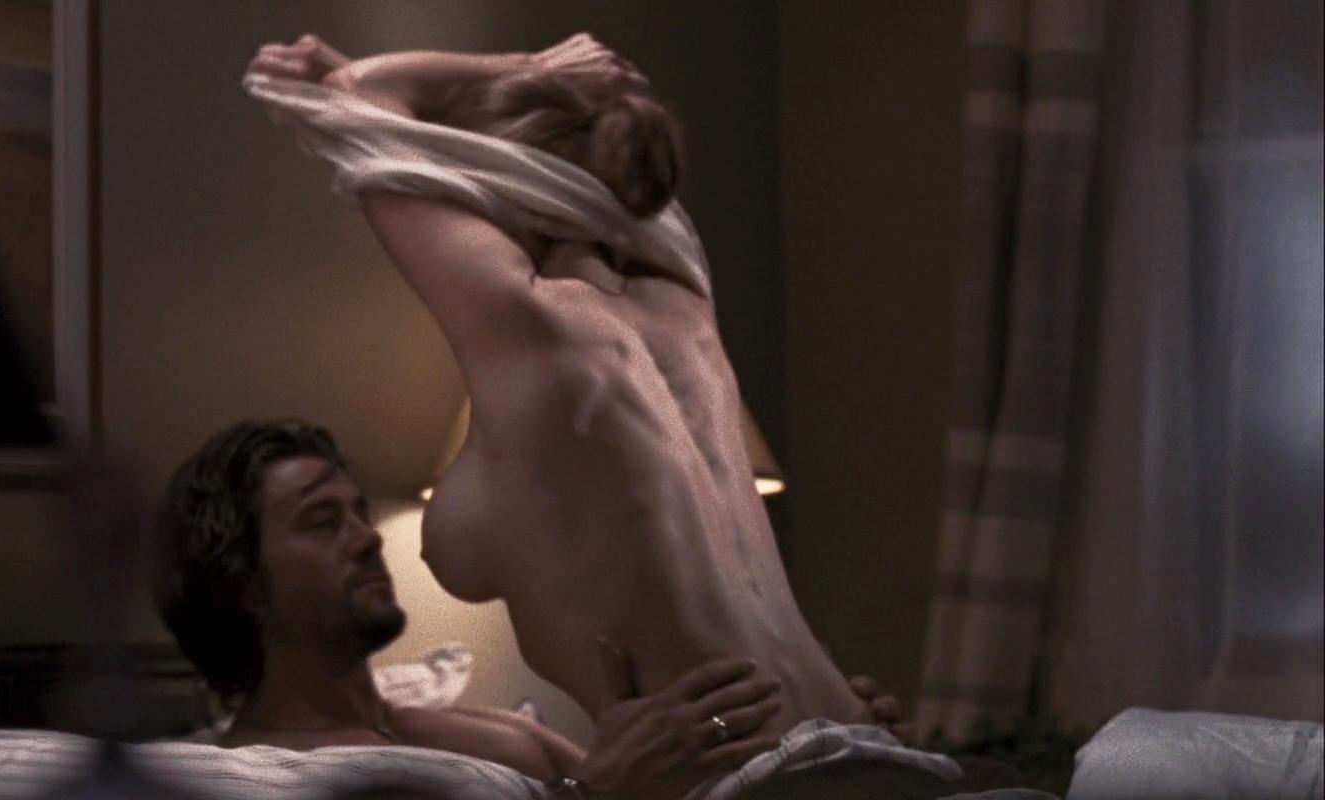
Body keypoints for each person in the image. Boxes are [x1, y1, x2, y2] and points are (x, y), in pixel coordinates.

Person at [236, 33, 1021, 798]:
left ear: (492, 198)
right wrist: (543, 82)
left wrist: (529, 66)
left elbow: (360, 99)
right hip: (872, 749)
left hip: (753, 778)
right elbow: (603, 142)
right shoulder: (685, 295)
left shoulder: (526, 319)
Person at [153, 420, 912, 798]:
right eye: (324, 521)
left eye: (360, 512)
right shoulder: (256, 778)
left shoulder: (493, 733)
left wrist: (818, 741)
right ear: (240, 583)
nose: (367, 538)